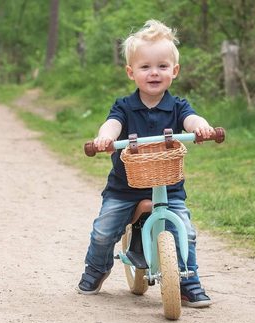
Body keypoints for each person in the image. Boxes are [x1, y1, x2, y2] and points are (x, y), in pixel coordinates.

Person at [77, 19, 214, 307]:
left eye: (162, 66)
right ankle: (97, 268)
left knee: (185, 231)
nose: (154, 73)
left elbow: (192, 119)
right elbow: (112, 125)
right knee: (104, 230)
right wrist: (104, 138)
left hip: (168, 186)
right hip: (125, 187)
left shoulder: (178, 106)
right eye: (145, 67)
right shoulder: (124, 107)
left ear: (174, 71)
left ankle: (188, 281)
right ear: (131, 72)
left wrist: (202, 128)